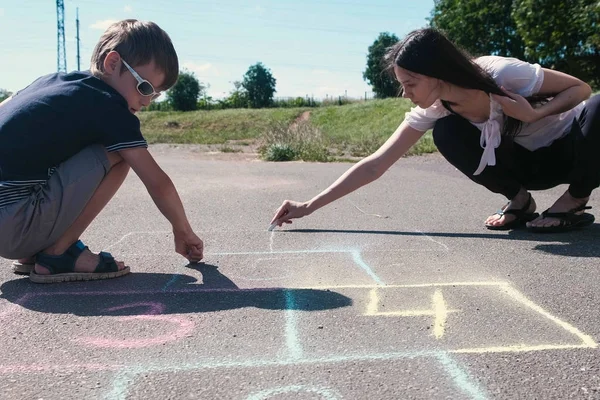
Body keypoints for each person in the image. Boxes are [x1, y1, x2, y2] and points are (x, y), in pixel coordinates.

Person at [270, 28, 599, 234]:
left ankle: (573, 201)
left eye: (410, 83)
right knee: (446, 132)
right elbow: (375, 164)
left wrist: (534, 112)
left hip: (572, 151)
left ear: (438, 73)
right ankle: (520, 201)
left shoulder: (502, 74)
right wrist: (308, 206)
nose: (406, 92)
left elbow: (580, 89)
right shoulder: (436, 107)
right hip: (530, 167)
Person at [0, 19, 204, 283]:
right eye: (145, 87)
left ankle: (34, 251)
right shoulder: (110, 107)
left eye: (155, 95)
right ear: (112, 63)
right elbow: (158, 182)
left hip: (12, 219)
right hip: (13, 224)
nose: (146, 101)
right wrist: (183, 231)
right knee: (119, 154)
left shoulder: (53, 82)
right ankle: (57, 252)